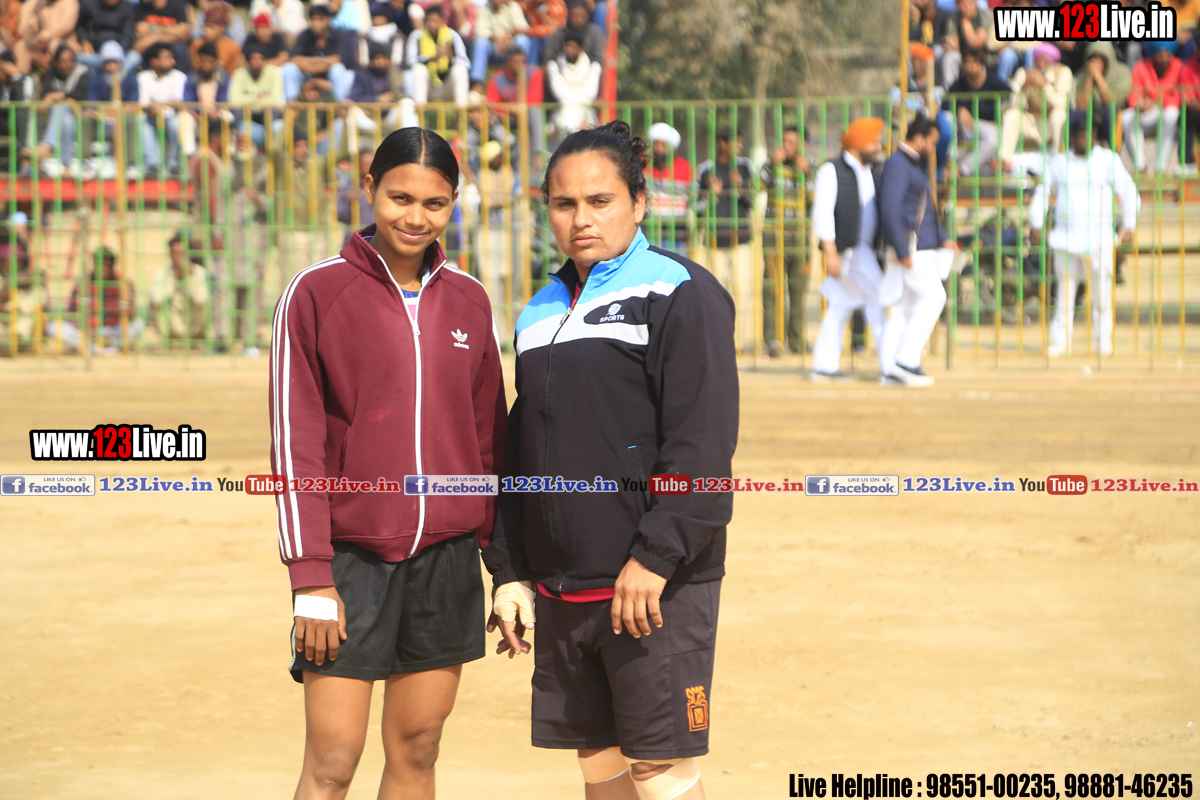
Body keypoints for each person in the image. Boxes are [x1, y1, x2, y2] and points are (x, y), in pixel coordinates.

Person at [483, 119, 737, 800]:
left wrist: (655, 556)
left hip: (653, 585)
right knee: (599, 763)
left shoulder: (679, 290)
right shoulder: (539, 310)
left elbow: (702, 442)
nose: (581, 219)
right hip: (563, 589)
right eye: (564, 204)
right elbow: (520, 451)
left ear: (640, 202)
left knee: (659, 769)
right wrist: (510, 571)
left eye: (600, 201)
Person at [270, 127, 505, 800]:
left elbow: (490, 442)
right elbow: (295, 445)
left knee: (419, 749)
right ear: (369, 189)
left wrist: (505, 567)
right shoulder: (316, 293)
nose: (415, 217)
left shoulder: (470, 300)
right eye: (400, 198)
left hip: (448, 559)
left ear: (454, 203)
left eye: (434, 203)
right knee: (332, 761)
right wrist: (311, 578)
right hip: (350, 565)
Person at [1029, 111, 1139, 357]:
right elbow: (1042, 193)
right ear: (1072, 137)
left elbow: (1129, 190)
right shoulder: (1059, 162)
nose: (1086, 140)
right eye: (1081, 136)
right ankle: (1060, 341)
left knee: (1102, 294)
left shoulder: (1107, 159)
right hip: (1066, 239)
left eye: (1090, 135)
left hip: (1099, 239)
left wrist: (1130, 224)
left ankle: (1103, 340)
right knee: (1064, 295)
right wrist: (1036, 222)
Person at [876, 114, 957, 387]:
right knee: (935, 297)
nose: (933, 149)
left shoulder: (910, 164)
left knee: (903, 309)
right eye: (932, 143)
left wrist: (943, 238)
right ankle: (905, 361)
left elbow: (924, 210)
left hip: (915, 247)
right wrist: (902, 249)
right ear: (920, 139)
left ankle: (890, 369)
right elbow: (890, 209)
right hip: (911, 249)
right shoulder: (898, 164)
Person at [808, 117, 887, 380]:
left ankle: (824, 365)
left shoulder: (871, 170)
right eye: (873, 142)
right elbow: (823, 212)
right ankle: (892, 363)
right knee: (879, 296)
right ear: (858, 143)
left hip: (866, 248)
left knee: (840, 303)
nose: (878, 147)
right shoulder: (831, 170)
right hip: (849, 251)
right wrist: (830, 251)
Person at [696, 128, 756, 351]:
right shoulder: (706, 170)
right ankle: (719, 340)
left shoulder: (745, 167)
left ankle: (738, 342)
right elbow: (697, 208)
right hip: (715, 241)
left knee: (742, 290)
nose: (739, 147)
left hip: (741, 239)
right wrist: (711, 195)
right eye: (735, 142)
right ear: (722, 143)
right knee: (716, 292)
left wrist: (740, 187)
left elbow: (753, 202)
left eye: (740, 142)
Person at [760, 125, 811, 357]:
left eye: (791, 142)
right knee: (772, 289)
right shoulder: (772, 166)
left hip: (800, 238)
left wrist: (806, 174)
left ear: (803, 145)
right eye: (784, 141)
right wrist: (772, 165)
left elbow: (815, 199)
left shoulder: (810, 167)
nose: (786, 146)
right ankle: (773, 339)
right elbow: (757, 186)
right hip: (774, 237)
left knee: (798, 290)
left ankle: (797, 339)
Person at [999, 42, 1072, 172]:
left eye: (1045, 60)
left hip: (1049, 123)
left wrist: (1044, 85)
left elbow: (1062, 103)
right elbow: (1013, 104)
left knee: (1059, 115)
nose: (1041, 63)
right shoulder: (1024, 72)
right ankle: (1004, 161)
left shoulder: (1063, 72)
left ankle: (1057, 160)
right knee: (1011, 115)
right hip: (1031, 123)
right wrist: (1024, 89)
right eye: (1038, 59)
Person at [944, 48, 1010, 176]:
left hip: (985, 126)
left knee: (993, 139)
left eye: (975, 62)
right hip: (962, 127)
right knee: (948, 117)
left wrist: (998, 118)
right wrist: (959, 109)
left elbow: (1010, 96)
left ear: (981, 64)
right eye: (968, 62)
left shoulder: (993, 81)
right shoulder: (959, 84)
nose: (971, 66)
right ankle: (950, 161)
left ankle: (962, 169)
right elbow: (945, 104)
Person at [1122, 40, 1185, 174]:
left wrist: (1156, 101)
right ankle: (1140, 167)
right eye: (1160, 54)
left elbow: (1179, 99)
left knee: (1172, 114)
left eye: (1167, 54)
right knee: (1127, 116)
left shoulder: (1179, 67)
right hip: (1146, 114)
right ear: (1153, 53)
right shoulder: (1140, 67)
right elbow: (1133, 98)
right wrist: (1141, 104)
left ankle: (1160, 168)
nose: (1164, 58)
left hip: (1166, 115)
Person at [36, 43, 90, 178]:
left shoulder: (82, 72)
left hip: (82, 118)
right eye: (63, 61)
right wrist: (61, 98)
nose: (68, 65)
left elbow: (79, 94)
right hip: (61, 120)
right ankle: (67, 167)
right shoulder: (51, 74)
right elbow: (44, 97)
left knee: (61, 107)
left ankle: (47, 145)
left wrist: (57, 96)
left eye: (71, 60)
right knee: (66, 120)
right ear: (56, 63)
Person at [284, 4, 357, 101]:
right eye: (313, 20)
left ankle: (339, 105)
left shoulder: (338, 35)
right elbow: (294, 59)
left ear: (327, 20)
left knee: (337, 69)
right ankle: (292, 104)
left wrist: (308, 63)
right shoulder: (304, 35)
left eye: (319, 20)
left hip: (328, 79)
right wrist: (324, 61)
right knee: (289, 68)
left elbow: (338, 60)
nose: (315, 24)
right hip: (307, 78)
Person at [137, 41, 187, 177]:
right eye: (167, 58)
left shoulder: (179, 77)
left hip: (171, 116)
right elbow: (143, 103)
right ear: (154, 61)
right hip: (151, 117)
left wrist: (159, 106)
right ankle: (153, 164)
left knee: (177, 123)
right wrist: (151, 109)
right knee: (141, 120)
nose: (172, 61)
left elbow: (179, 102)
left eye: (172, 57)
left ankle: (174, 165)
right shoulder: (143, 77)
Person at [643, 121, 693, 258]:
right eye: (656, 144)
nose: (659, 149)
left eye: (664, 145)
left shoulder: (686, 168)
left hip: (677, 235)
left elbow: (694, 199)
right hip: (648, 234)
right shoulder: (642, 166)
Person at [151, 232, 211, 344]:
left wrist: (190, 276)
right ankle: (168, 341)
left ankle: (196, 340)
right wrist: (174, 277)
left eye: (181, 253)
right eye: (175, 253)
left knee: (205, 303)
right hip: (172, 323)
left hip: (192, 322)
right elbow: (156, 300)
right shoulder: (162, 273)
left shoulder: (200, 272)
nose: (178, 257)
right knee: (158, 304)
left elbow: (201, 300)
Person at [403, 5, 469, 106]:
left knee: (460, 70)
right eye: (429, 21)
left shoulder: (453, 35)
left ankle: (461, 112)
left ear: (443, 21)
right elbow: (410, 62)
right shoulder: (417, 36)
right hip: (427, 86)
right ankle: (420, 112)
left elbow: (465, 63)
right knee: (418, 69)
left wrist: (451, 58)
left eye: (435, 21)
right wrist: (432, 58)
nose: (431, 24)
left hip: (447, 85)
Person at [230, 47, 285, 150]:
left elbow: (275, 100)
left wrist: (249, 100)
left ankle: (269, 147)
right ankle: (238, 145)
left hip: (266, 114)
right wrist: (257, 97)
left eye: (261, 58)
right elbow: (234, 100)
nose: (257, 62)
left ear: (265, 60)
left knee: (270, 111)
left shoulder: (274, 72)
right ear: (248, 61)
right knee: (238, 112)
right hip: (246, 113)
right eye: (253, 59)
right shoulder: (239, 73)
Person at [544, 31, 599, 133]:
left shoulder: (593, 66)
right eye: (567, 46)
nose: (569, 49)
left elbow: (590, 94)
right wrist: (579, 95)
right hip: (562, 113)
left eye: (572, 46)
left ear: (581, 49)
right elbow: (560, 94)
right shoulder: (554, 66)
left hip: (586, 115)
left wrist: (570, 95)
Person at [470, 0, 531, 85]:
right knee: (480, 42)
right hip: (493, 50)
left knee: (522, 40)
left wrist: (509, 35)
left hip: (511, 47)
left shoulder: (513, 6)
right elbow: (480, 31)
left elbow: (523, 28)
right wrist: (496, 39)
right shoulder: (484, 8)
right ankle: (477, 83)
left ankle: (522, 77)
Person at [72, 0, 139, 73]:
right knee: (78, 58)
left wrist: (115, 57)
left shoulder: (127, 7)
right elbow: (81, 25)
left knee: (135, 57)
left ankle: (116, 75)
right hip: (97, 52)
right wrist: (85, 41)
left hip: (120, 53)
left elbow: (127, 34)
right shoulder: (90, 4)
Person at [13, 0, 79, 73]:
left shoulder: (69, 2)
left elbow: (65, 27)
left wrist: (42, 37)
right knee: (21, 46)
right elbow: (22, 31)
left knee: (54, 44)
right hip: (38, 47)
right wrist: (33, 19)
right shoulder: (31, 5)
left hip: (65, 44)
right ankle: (22, 77)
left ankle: (64, 75)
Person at [542, 0, 603, 66]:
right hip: (563, 67)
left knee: (596, 66)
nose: (578, 19)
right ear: (569, 16)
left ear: (587, 16)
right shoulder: (561, 33)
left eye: (581, 16)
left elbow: (598, 58)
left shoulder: (595, 32)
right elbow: (550, 57)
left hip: (587, 68)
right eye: (575, 16)